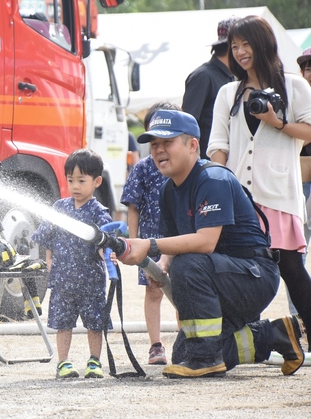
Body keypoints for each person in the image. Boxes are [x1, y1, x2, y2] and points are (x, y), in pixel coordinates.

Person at [120, 109, 305, 378]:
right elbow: (172, 246)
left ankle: (205, 357)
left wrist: (149, 245)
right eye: (154, 145)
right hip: (220, 278)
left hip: (254, 276)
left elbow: (205, 243)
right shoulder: (167, 190)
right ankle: (276, 335)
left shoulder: (212, 179)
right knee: (182, 355)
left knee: (188, 265)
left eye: (167, 142)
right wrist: (159, 268)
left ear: (193, 145)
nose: (158, 151)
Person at [208, 16, 311, 348]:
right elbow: (217, 147)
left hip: (279, 194)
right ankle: (246, 340)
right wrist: (217, 188)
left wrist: (276, 122)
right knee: (242, 273)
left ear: (263, 43)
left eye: (246, 44)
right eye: (234, 46)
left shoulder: (295, 86)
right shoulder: (228, 92)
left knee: (293, 271)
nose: (239, 52)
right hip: (239, 199)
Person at [32, 149, 113, 379]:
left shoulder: (99, 212)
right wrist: (49, 258)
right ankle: (63, 362)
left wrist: (108, 251)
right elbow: (47, 235)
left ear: (96, 181)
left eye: (81, 180)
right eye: (70, 180)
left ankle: (94, 361)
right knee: (62, 322)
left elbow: (106, 239)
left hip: (91, 279)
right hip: (62, 279)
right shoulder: (60, 207)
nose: (75, 186)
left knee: (95, 322)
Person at [120, 101, 179, 365]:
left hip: (180, 241)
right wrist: (134, 243)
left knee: (183, 293)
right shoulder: (143, 167)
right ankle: (156, 345)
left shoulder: (185, 165)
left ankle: (187, 340)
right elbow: (133, 206)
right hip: (150, 244)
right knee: (154, 290)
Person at [182, 16, 238, 159]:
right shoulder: (203, 76)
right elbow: (187, 125)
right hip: (205, 165)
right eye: (239, 46)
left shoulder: (234, 77)